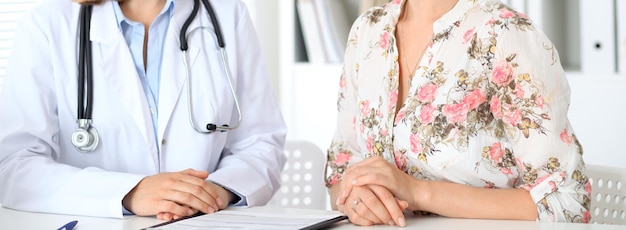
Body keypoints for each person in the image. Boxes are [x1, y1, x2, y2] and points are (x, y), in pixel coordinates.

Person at [0, 0, 287, 221]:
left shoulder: (226, 14)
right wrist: (129, 192)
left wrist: (215, 191)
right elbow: (15, 166)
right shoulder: (47, 24)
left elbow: (261, 143)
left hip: (203, 221)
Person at [325, 0, 590, 226]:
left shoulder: (504, 33)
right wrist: (356, 200)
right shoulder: (367, 30)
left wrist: (417, 191)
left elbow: (566, 202)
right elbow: (341, 171)